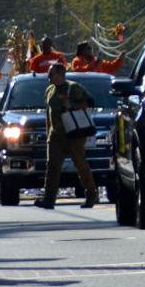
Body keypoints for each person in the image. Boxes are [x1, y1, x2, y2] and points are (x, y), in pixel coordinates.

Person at [36, 62, 99, 210]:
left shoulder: (73, 88)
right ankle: (49, 198)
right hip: (56, 135)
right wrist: (48, 132)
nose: (49, 76)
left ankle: (91, 194)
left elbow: (89, 103)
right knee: (52, 166)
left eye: (51, 74)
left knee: (80, 164)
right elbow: (49, 112)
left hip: (74, 133)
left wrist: (70, 104)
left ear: (60, 74)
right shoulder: (50, 90)